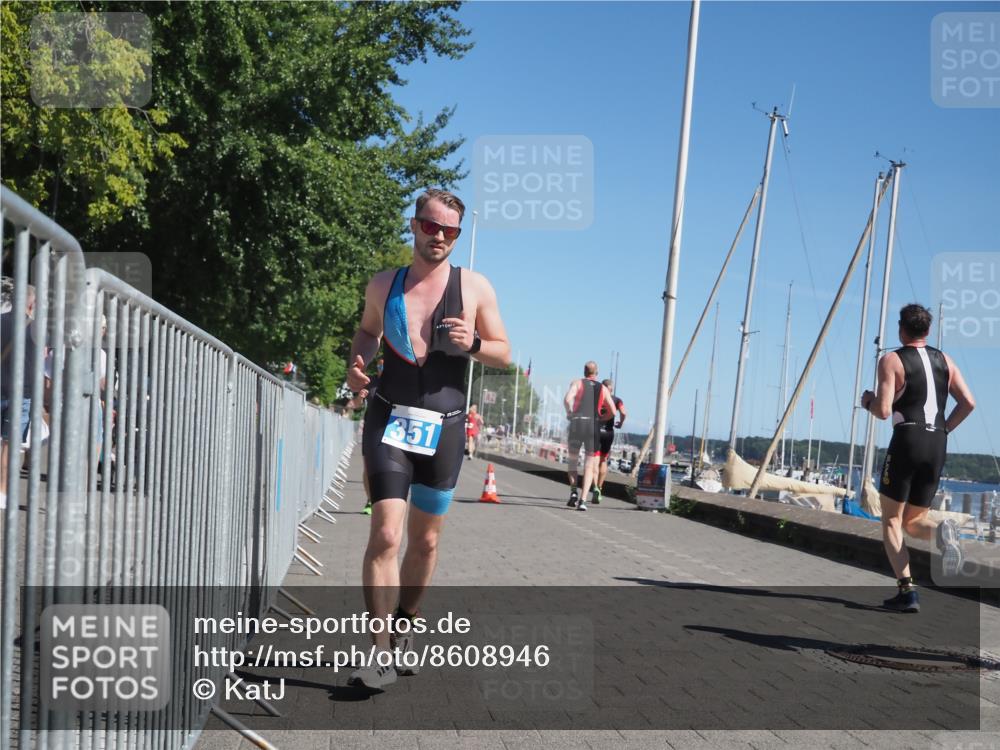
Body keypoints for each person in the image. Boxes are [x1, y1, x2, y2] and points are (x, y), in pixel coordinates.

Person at [345, 188, 511, 688]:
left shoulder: (475, 287)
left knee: (426, 540)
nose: (439, 236)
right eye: (431, 226)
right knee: (385, 535)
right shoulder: (383, 284)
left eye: (450, 231)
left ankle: (405, 623)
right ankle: (378, 652)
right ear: (415, 225)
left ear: (457, 236)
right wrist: (357, 364)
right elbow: (368, 332)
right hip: (388, 419)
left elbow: (504, 351)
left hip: (445, 428)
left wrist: (474, 343)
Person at [861, 304, 975, 613]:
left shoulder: (891, 360)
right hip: (937, 441)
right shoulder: (946, 361)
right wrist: (944, 429)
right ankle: (943, 534)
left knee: (892, 520)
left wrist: (868, 401)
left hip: (908, 438)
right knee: (913, 522)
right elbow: (968, 402)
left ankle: (907, 592)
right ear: (927, 330)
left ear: (901, 329)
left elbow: (884, 410)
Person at [1, 285, 37, 511]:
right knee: (10, 445)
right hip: (21, 393)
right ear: (31, 303)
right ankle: (3, 492)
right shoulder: (34, 328)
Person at [564, 361, 617, 512]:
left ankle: (573, 492)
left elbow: (567, 399)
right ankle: (583, 500)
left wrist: (570, 413)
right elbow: (613, 411)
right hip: (593, 426)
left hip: (577, 424)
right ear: (596, 373)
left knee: (573, 461)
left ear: (584, 371)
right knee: (589, 464)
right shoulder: (603, 388)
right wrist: (602, 419)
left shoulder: (577, 383)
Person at [349, 358, 384, 516]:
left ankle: (384, 499)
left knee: (387, 466)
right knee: (369, 467)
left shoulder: (395, 381)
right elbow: (355, 405)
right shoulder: (370, 381)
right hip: (371, 428)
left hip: (391, 429)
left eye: (384, 365)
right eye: (379, 365)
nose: (381, 368)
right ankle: (370, 500)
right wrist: (360, 397)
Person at [593, 378, 626, 504]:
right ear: (611, 389)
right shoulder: (617, 400)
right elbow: (623, 413)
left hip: (596, 431)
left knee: (594, 461)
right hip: (608, 433)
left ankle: (594, 487)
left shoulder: (596, 398)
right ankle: (600, 488)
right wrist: (621, 423)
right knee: (603, 460)